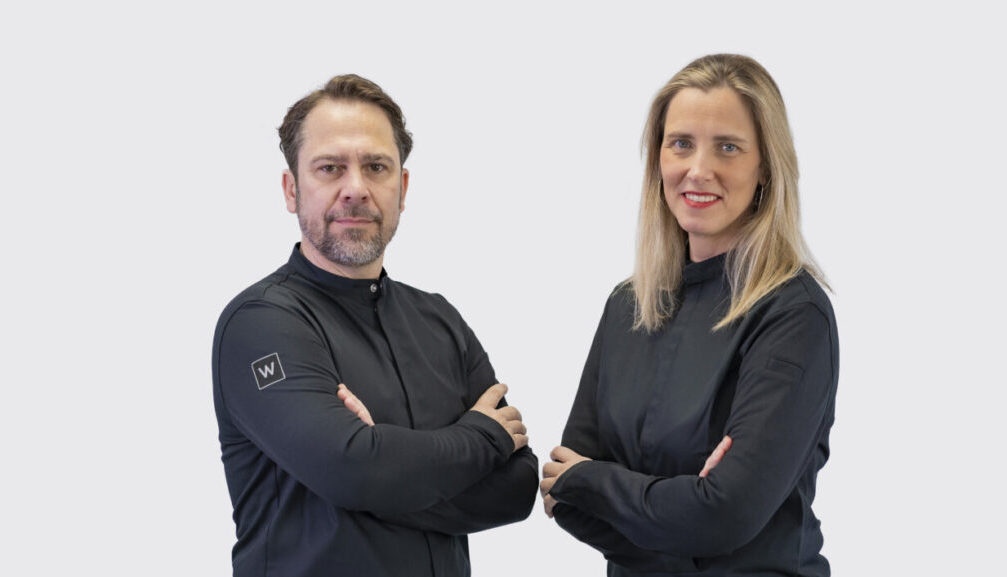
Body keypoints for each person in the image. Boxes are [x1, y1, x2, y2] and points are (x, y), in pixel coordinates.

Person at [212, 74, 538, 577]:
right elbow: (352, 470)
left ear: (402, 189)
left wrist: (379, 476)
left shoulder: (440, 320)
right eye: (330, 168)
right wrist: (480, 438)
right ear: (292, 189)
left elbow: (517, 489)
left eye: (376, 167)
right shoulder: (261, 324)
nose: (356, 189)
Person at [540, 54, 839, 576]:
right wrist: (685, 514)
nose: (698, 170)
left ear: (765, 166)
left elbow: (724, 514)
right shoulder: (627, 305)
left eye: (728, 147)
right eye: (680, 143)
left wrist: (596, 482)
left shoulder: (794, 315)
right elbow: (562, 495)